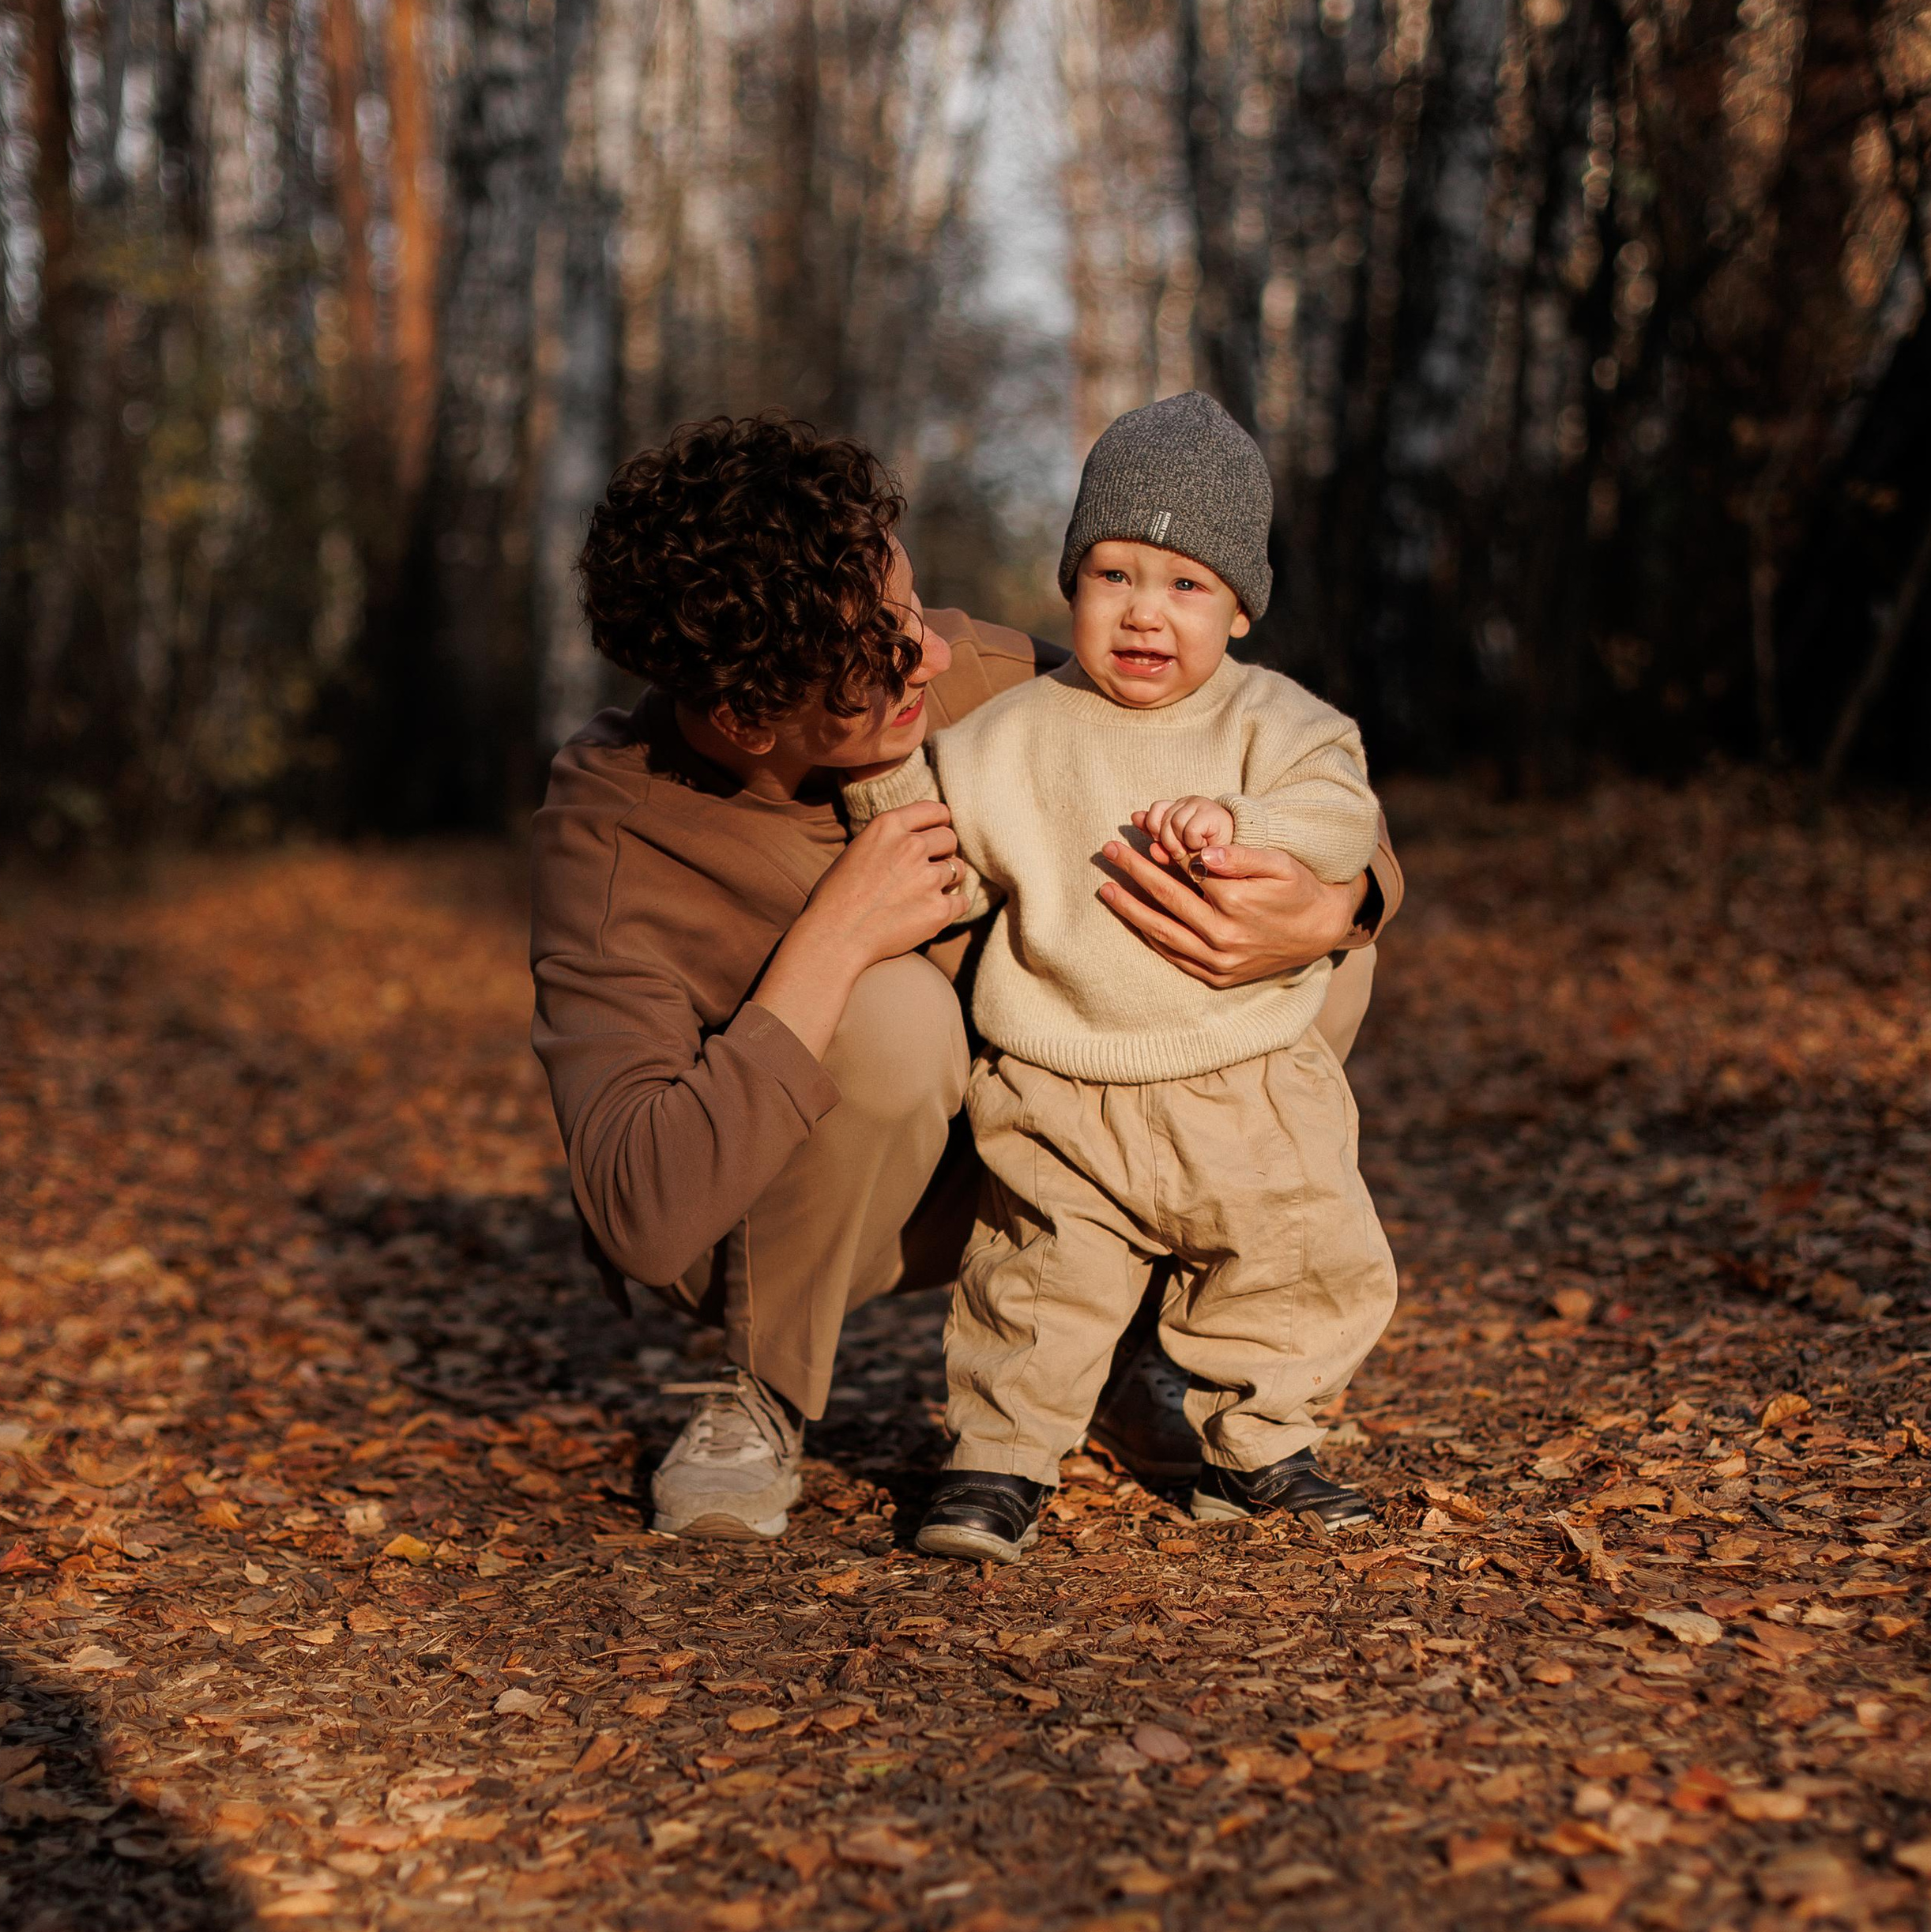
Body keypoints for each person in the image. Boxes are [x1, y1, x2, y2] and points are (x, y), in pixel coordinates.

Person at [529, 412, 1401, 1542]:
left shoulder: (973, 677)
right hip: (780, 1206)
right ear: (748, 719)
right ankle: (757, 1384)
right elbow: (642, 1215)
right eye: (881, 658)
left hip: (1040, 1145)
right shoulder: (613, 833)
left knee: (1316, 961)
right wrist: (832, 943)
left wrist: (1340, 904)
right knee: (890, 1012)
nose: (931, 657)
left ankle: (1143, 1341)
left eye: (910, 608)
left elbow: (1239, 732)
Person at [843, 391, 1397, 1564]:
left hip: (1249, 1081)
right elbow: (935, 851)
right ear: (1072, 586)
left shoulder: (1283, 726)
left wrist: (1247, 818)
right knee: (1036, 1284)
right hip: (1058, 1084)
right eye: (1114, 575)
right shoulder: (1008, 740)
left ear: (1240, 606)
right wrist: (879, 774)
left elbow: (1342, 817)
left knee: (1295, 1263)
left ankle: (1259, 1450)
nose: (1147, 612)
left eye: (1186, 584)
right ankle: (997, 1465)